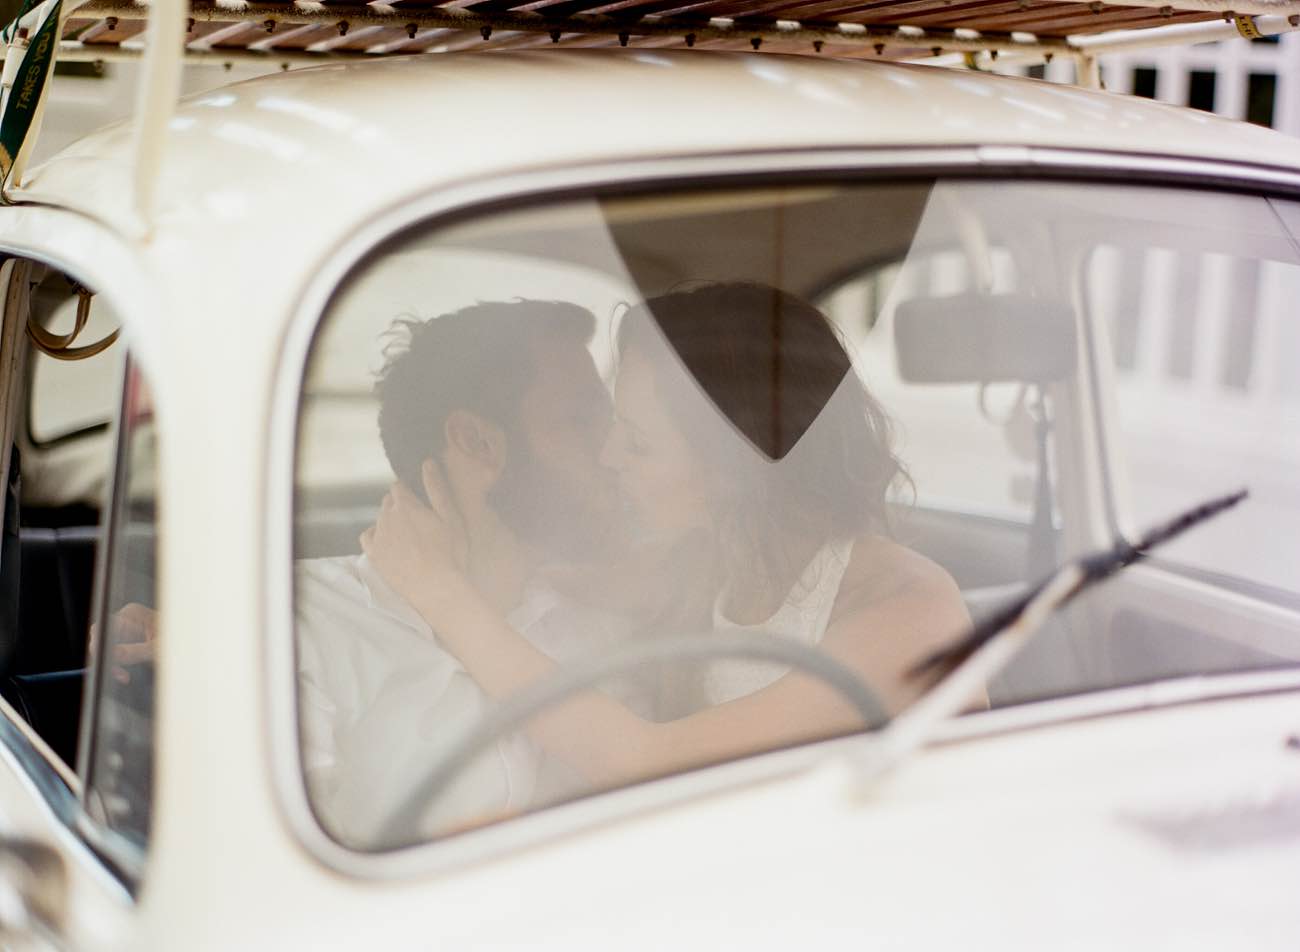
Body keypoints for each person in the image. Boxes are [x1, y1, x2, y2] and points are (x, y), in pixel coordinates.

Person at [363, 283, 972, 794]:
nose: (608, 456)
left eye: (637, 441)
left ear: (735, 465)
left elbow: (643, 757)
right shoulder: (707, 566)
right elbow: (553, 571)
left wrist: (441, 593)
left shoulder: (907, 611)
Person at [297, 299, 651, 845]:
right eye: (582, 420)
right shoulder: (298, 624)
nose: (610, 453)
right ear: (477, 441)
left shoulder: (608, 623)